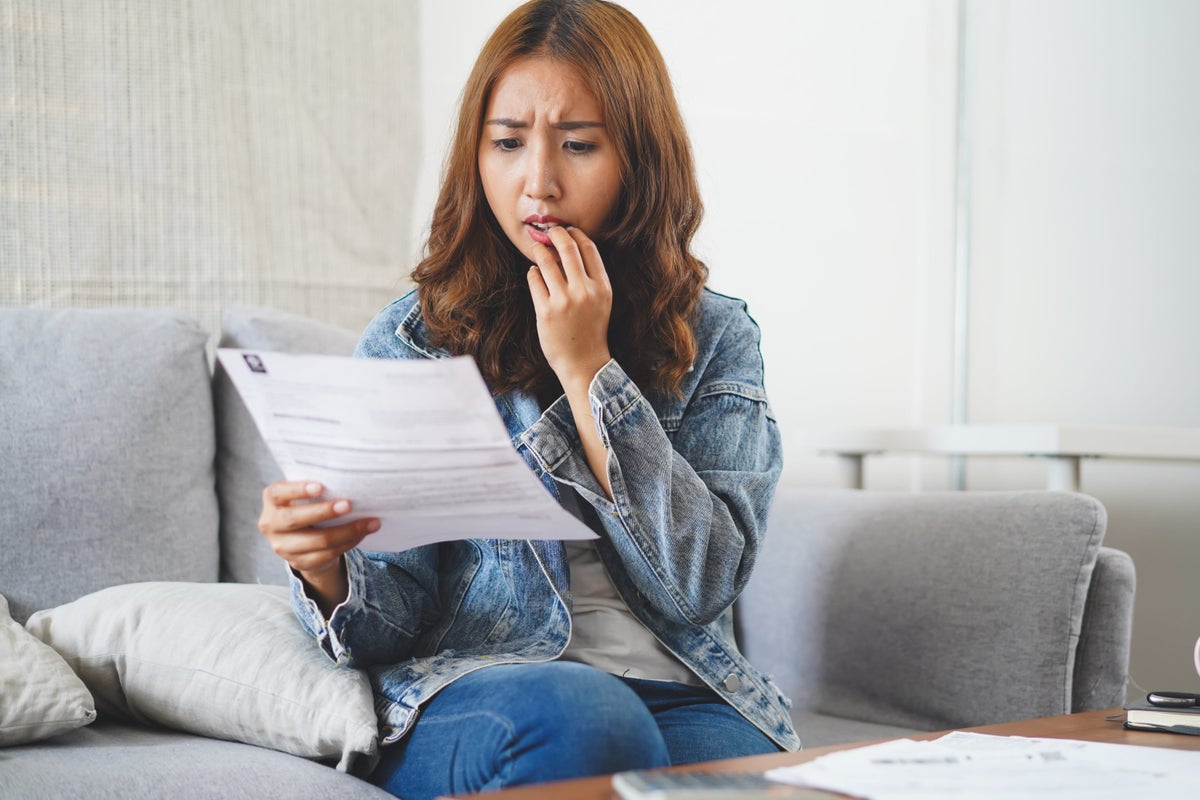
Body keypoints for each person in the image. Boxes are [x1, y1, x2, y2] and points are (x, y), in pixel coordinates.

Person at [257, 1, 798, 797]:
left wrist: (590, 375)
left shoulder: (714, 335)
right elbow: (390, 625)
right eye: (507, 143)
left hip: (680, 688)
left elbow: (699, 587)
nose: (537, 182)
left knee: (740, 768)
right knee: (591, 720)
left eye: (578, 144)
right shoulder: (415, 339)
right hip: (484, 687)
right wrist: (328, 569)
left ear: (638, 159)